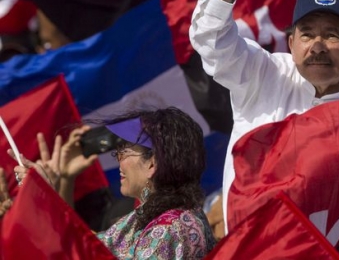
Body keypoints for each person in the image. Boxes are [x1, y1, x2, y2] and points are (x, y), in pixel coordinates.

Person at [189, 0, 339, 232]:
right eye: (307, 34)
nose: (317, 46)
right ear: (290, 44)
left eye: (331, 35)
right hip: (254, 245)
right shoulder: (263, 74)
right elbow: (212, 43)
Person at [13, 107, 216, 258]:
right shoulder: (150, 218)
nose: (118, 159)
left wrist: (46, 199)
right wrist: (44, 196)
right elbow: (90, 247)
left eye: (124, 151)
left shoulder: (171, 228)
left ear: (152, 163)